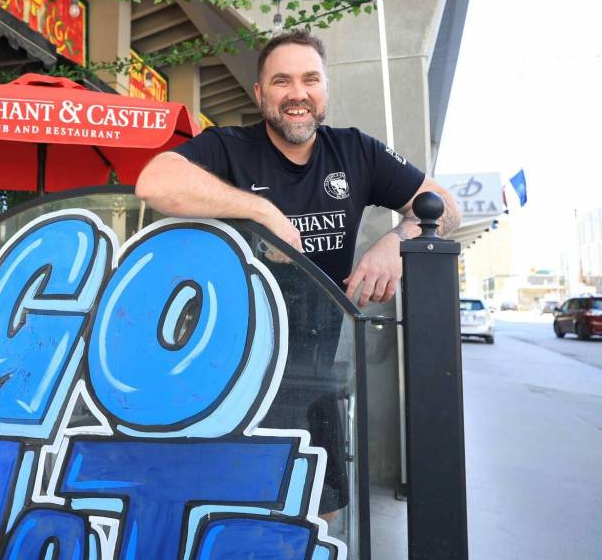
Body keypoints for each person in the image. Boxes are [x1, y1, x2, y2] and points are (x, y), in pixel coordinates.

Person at [135, 29, 461, 517]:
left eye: (311, 80)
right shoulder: (229, 146)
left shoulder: (356, 152)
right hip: (228, 379)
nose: (297, 94)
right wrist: (261, 211)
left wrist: (396, 242)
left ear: (325, 90)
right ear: (260, 94)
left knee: (320, 515)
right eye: (282, 81)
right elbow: (153, 180)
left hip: (318, 378)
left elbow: (445, 208)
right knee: (228, 512)